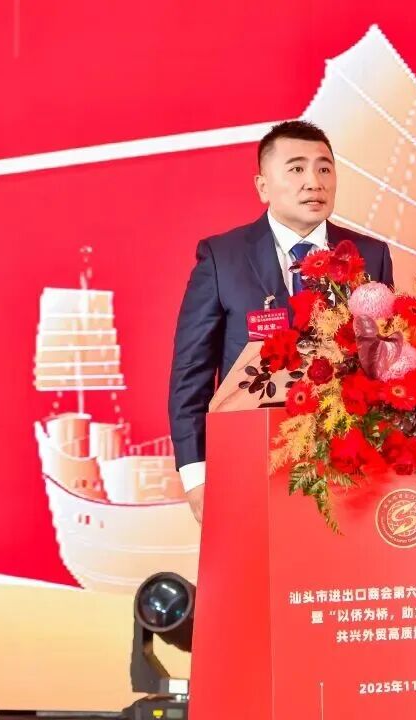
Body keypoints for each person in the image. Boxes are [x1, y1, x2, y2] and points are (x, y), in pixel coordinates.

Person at [168, 120, 394, 523]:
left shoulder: (370, 255)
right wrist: (196, 475)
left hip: (350, 462)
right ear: (263, 186)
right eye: (296, 168)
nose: (314, 182)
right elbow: (192, 373)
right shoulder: (223, 258)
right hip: (250, 461)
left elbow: (385, 360)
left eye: (324, 168)